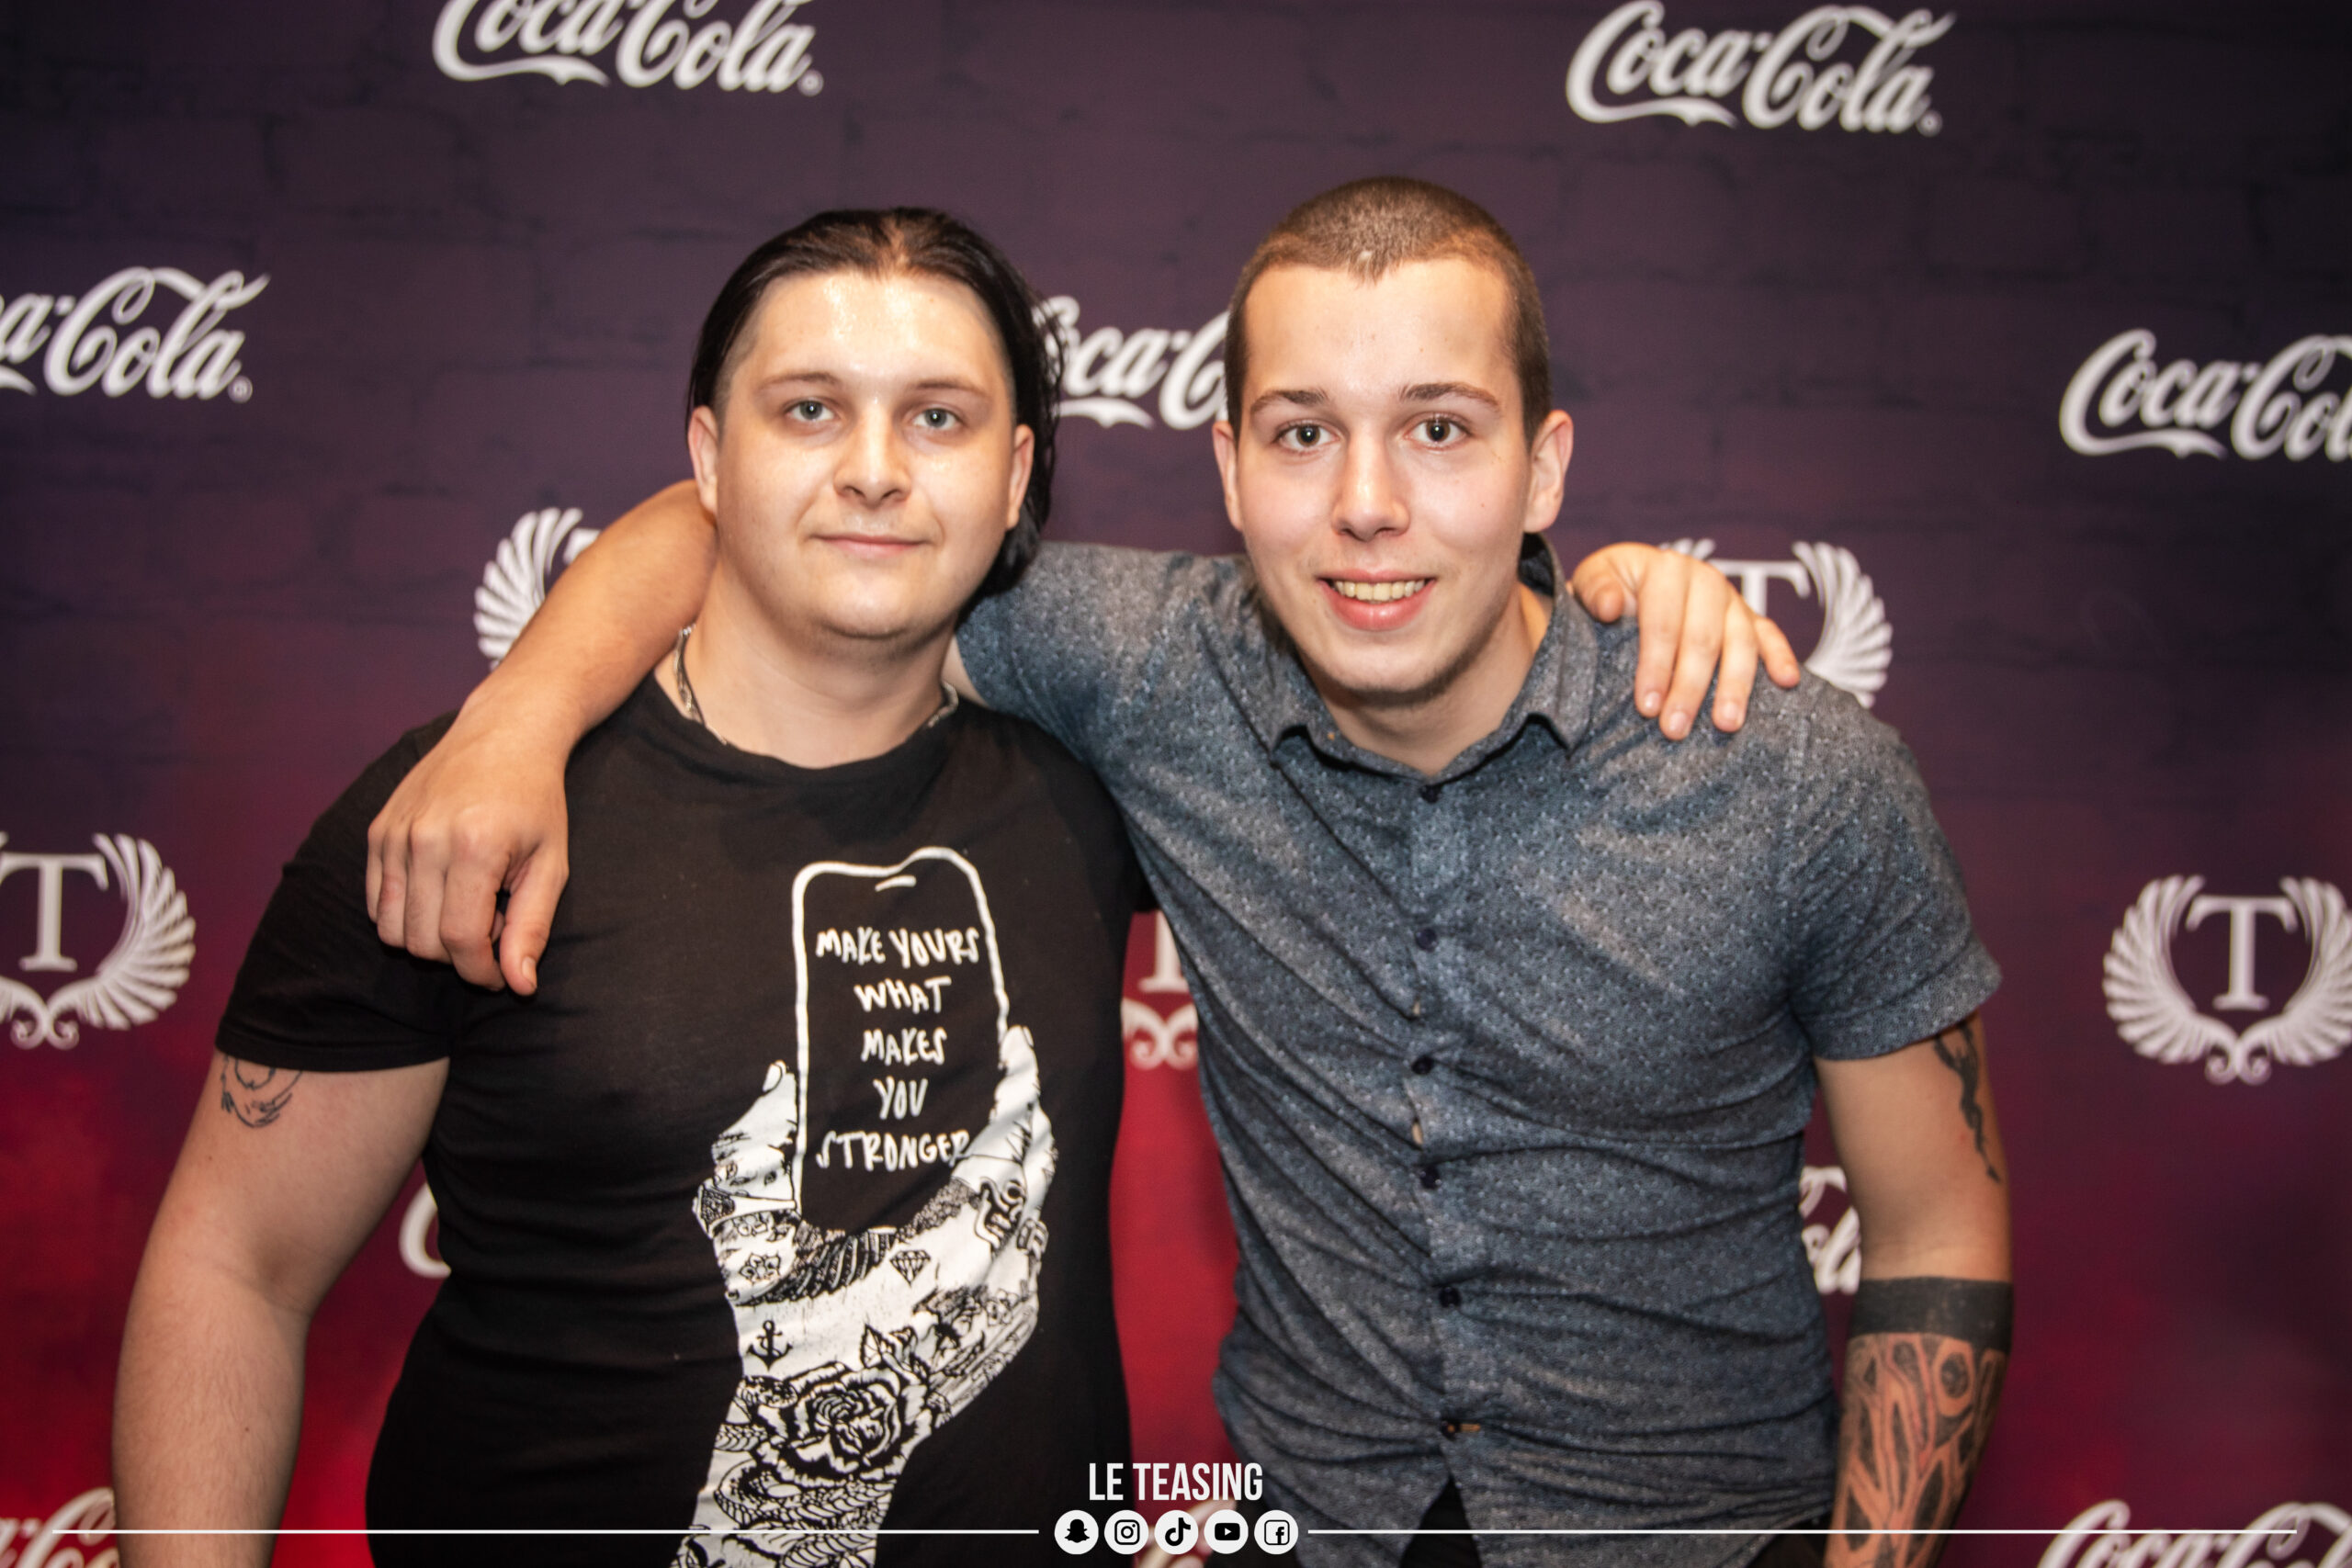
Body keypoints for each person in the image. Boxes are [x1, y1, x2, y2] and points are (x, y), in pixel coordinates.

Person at [371, 180, 2008, 1568]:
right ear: (1229, 467)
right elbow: (756, 521)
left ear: (1548, 467)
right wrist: (517, 718)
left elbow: (1940, 1224)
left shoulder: (1789, 773)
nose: (1368, 507)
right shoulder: (1151, 669)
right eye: (1304, 436)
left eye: (1441, 431)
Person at [114, 209, 1155, 1568]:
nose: (875, 471)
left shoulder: (1102, 788)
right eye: (809, 410)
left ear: (1014, 474)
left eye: (938, 419)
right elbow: (236, 1270)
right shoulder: (468, 817)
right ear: (710, 458)